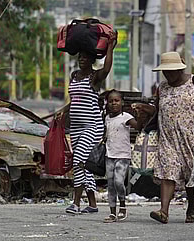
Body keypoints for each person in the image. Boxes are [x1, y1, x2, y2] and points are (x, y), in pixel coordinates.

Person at [147, 52, 194, 224]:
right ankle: (164, 211)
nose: (168, 74)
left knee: (190, 175)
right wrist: (143, 111)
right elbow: (157, 111)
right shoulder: (162, 88)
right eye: (166, 71)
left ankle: (191, 210)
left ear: (180, 69)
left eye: (172, 71)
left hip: (193, 137)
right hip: (169, 138)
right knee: (167, 171)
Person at [58, 31, 117, 215]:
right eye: (80, 57)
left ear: (92, 60)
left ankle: (75, 203)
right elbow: (75, 100)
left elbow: (106, 69)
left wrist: (110, 47)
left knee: (78, 161)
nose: (81, 59)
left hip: (92, 126)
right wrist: (63, 110)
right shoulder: (74, 76)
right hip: (75, 127)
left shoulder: (94, 77)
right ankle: (92, 204)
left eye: (85, 57)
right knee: (86, 165)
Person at [102, 89, 142, 222]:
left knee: (119, 182)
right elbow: (106, 135)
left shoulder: (126, 117)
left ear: (122, 102)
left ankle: (123, 207)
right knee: (111, 184)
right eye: (111, 101)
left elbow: (138, 127)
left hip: (123, 155)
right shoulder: (107, 118)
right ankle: (112, 212)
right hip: (109, 155)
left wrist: (139, 115)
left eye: (117, 101)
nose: (114, 103)